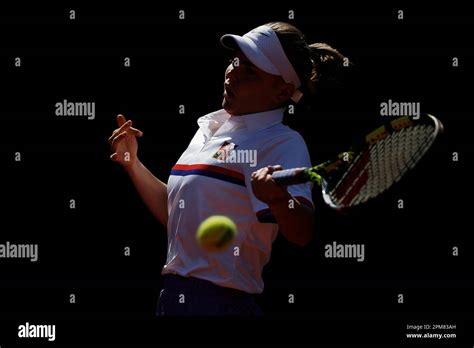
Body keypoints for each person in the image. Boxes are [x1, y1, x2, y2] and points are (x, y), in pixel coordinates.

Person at [108, 22, 348, 315]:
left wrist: (277, 198)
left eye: (249, 71)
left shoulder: (283, 143)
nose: (233, 73)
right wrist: (133, 164)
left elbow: (301, 232)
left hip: (222, 306)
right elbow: (178, 216)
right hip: (173, 299)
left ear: (282, 91)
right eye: (235, 62)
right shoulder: (210, 129)